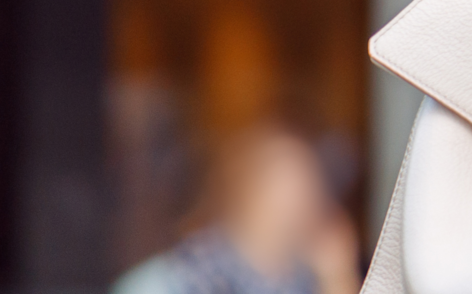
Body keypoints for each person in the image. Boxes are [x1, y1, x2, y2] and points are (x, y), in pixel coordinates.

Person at [111, 125, 357, 294]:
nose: (305, 196)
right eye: (287, 181)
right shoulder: (177, 276)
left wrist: (339, 276)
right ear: (246, 188)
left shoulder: (310, 277)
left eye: (310, 181)